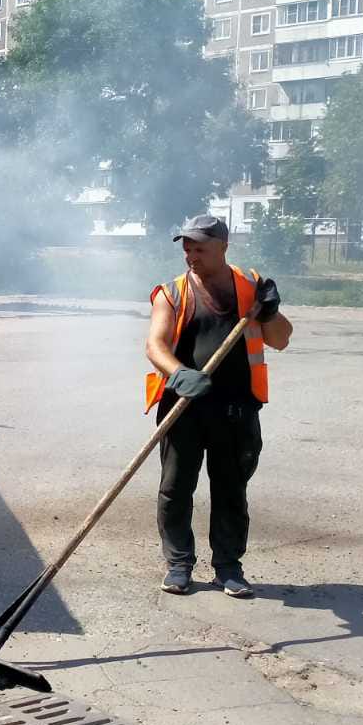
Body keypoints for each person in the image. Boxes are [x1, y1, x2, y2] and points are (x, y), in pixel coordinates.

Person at [145, 214, 293, 599]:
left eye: (200, 249)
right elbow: (154, 345)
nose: (191, 256)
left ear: (223, 247)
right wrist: (179, 374)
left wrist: (270, 314)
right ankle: (178, 566)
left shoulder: (252, 289)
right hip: (184, 408)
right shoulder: (172, 293)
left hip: (236, 411)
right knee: (175, 489)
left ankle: (228, 568)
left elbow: (281, 339)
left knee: (230, 491)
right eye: (187, 249)